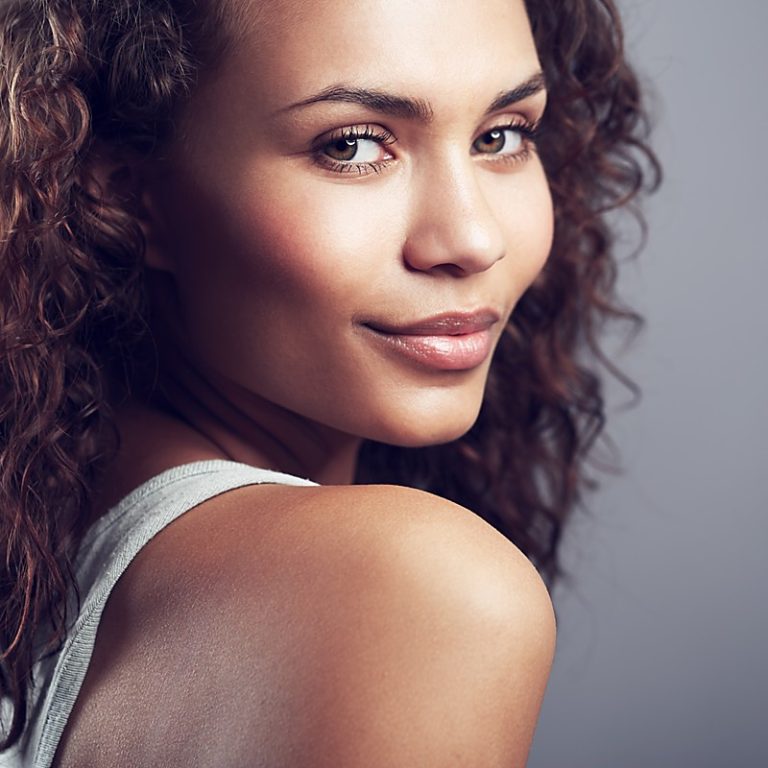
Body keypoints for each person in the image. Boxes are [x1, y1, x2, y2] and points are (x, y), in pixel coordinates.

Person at [0, 0, 658, 765]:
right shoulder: (417, 597)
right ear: (127, 196)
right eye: (351, 146)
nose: (472, 239)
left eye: (501, 136)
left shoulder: (45, 533)